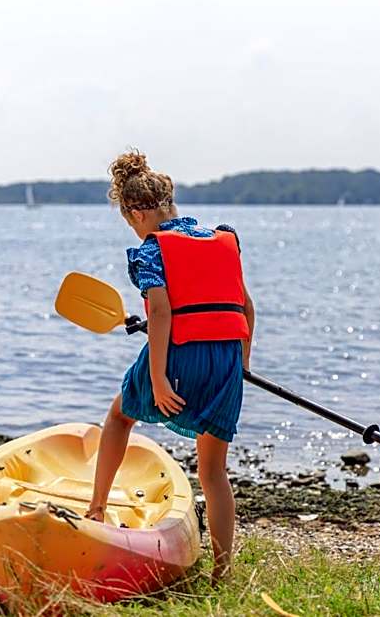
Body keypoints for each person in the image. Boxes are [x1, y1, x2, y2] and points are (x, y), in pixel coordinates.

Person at [86, 150, 256, 583]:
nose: (133, 228)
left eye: (129, 221)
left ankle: (97, 507)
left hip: (180, 353)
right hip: (227, 360)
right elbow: (246, 306)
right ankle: (223, 571)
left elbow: (160, 313)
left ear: (138, 212)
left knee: (119, 416)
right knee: (213, 472)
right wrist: (243, 361)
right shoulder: (222, 238)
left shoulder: (150, 251)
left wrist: (159, 377)